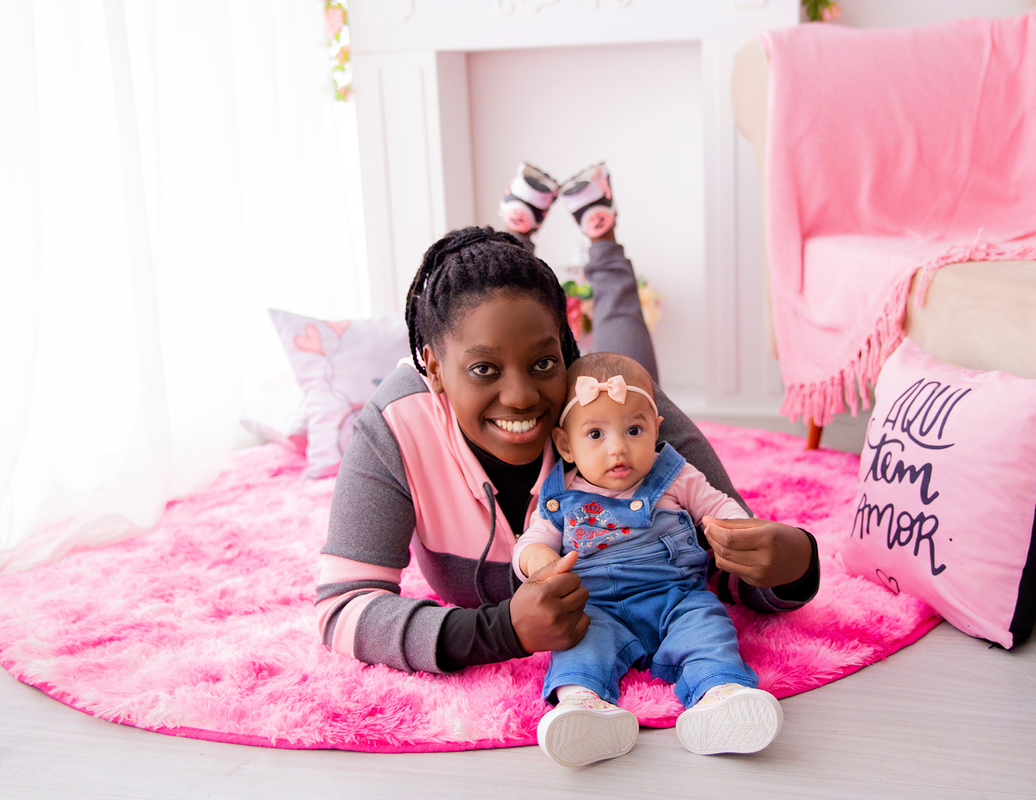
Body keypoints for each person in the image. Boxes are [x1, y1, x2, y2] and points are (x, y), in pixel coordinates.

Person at [315, 160, 819, 729]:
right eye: (483, 369)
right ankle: (520, 230)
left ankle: (600, 238)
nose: (523, 397)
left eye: (545, 362)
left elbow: (728, 557)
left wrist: (794, 564)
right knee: (498, 306)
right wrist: (501, 630)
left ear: (566, 347)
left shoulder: (614, 403)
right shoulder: (393, 424)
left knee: (625, 351)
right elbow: (342, 608)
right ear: (432, 367)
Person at [516, 351, 784, 767]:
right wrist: (537, 562)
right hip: (597, 607)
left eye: (634, 430)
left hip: (676, 597)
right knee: (577, 644)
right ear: (565, 444)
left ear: (656, 431)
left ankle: (721, 695)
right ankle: (583, 707)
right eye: (595, 435)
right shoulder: (559, 496)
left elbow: (719, 504)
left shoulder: (674, 475)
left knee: (707, 630)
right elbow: (532, 542)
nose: (618, 448)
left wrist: (734, 530)